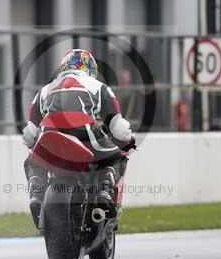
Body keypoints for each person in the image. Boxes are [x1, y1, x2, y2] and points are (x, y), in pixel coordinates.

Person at [21, 48, 136, 229]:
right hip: (84, 132)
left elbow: (29, 135)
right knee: (116, 157)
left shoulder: (44, 90)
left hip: (48, 134)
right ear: (90, 68)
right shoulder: (99, 86)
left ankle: (36, 189)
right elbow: (118, 128)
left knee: (32, 161)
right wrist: (129, 141)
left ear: (63, 67)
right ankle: (105, 189)